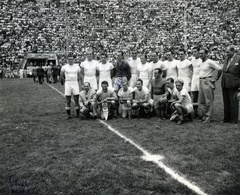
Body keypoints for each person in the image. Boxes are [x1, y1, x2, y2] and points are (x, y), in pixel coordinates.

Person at [198, 48, 222, 123]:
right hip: (201, 80)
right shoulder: (201, 62)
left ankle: (209, 117)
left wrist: (216, 78)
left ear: (206, 54)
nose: (200, 55)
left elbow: (220, 69)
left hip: (207, 81)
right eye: (200, 53)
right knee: (201, 100)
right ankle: (204, 116)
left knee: (208, 100)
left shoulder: (210, 62)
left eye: (202, 53)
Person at [221, 46, 240, 123]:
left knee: (233, 102)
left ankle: (234, 119)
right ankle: (226, 118)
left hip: (234, 84)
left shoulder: (238, 58)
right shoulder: (226, 58)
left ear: (233, 51)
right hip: (225, 83)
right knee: (226, 102)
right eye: (226, 52)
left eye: (228, 52)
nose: (226, 54)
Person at [191, 46, 202, 118]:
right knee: (194, 95)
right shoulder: (192, 59)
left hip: (200, 77)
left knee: (201, 95)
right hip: (194, 77)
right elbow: (192, 70)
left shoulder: (202, 59)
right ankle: (195, 112)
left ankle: (202, 112)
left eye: (195, 51)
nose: (194, 53)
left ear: (198, 51)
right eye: (193, 52)